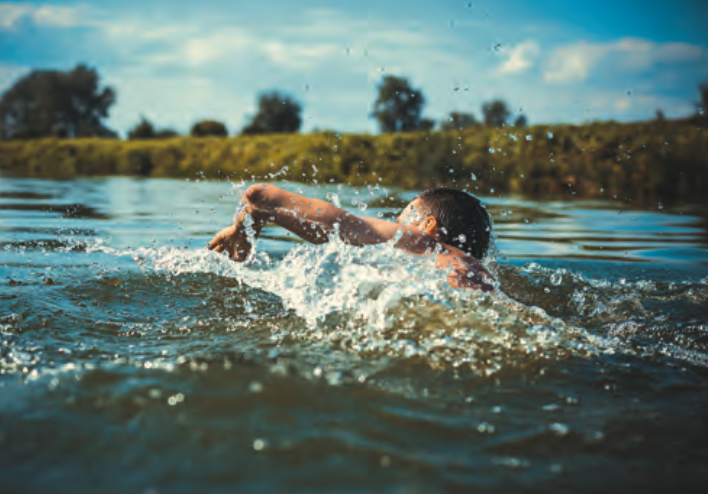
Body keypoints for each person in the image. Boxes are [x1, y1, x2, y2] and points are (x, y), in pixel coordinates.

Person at [207, 184, 496, 291]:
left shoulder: (421, 241)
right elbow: (330, 237)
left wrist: (253, 214)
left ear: (427, 226)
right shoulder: (474, 269)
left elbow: (337, 224)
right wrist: (266, 217)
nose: (397, 226)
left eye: (401, 220)